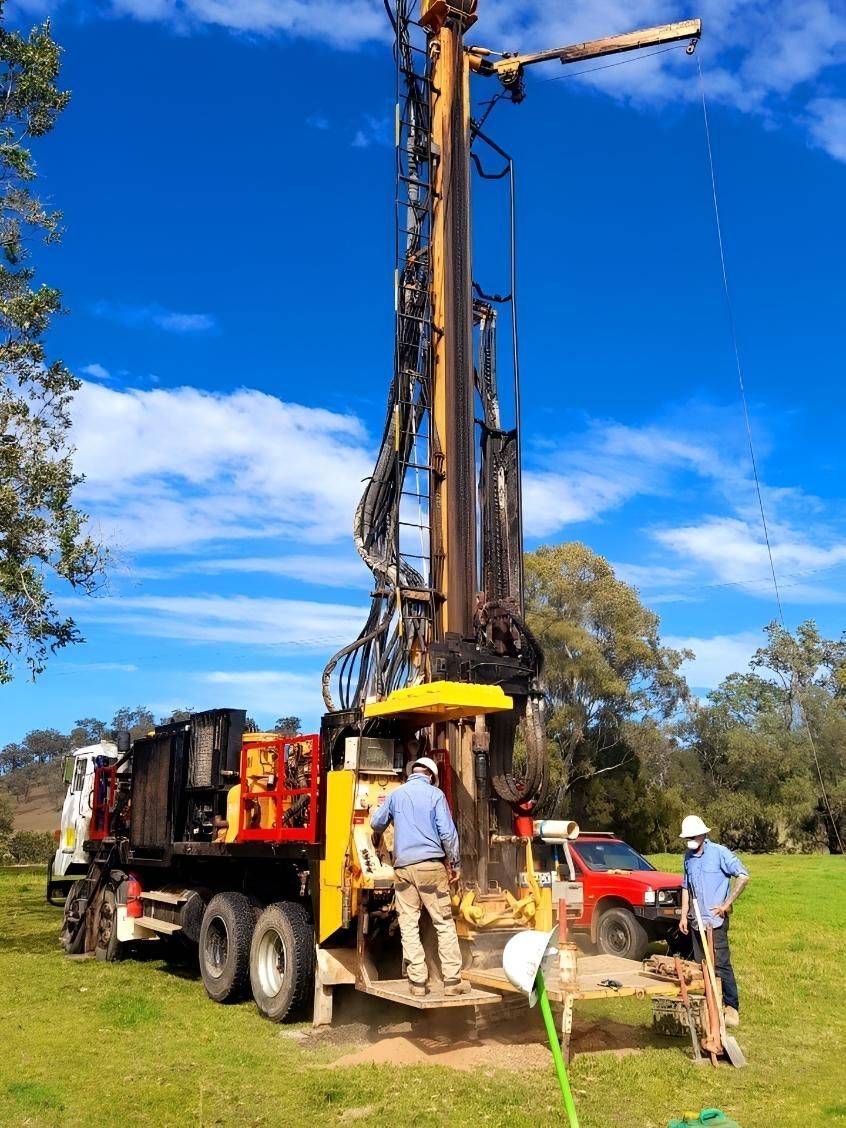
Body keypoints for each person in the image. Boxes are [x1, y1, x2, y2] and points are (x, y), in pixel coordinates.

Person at [370, 755, 469, 997]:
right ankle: (452, 981)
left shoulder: (396, 794)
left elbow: (376, 823)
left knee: (408, 924)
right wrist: (454, 863)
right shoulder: (436, 796)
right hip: (431, 869)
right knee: (443, 923)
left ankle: (417, 983)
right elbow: (448, 834)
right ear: (431, 777)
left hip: (403, 870)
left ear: (411, 773)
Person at [678, 814, 749, 1028]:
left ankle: (731, 1006)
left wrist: (726, 905)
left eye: (693, 835)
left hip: (715, 921)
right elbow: (685, 887)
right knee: (702, 965)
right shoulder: (688, 857)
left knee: (721, 964)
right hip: (695, 921)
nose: (690, 840)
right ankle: (711, 1002)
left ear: (702, 834)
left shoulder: (720, 853)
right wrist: (683, 914)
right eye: (687, 837)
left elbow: (743, 876)